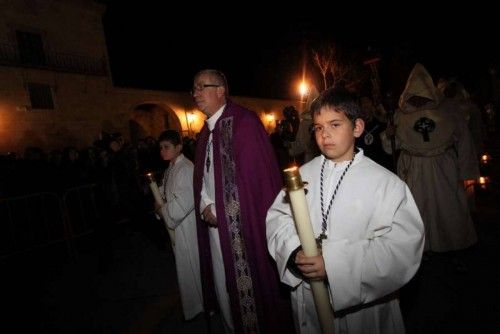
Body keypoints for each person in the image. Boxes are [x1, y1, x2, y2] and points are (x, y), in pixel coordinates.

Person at [267, 87, 425, 333]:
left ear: (357, 127)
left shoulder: (386, 184)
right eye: (318, 127)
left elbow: (403, 249)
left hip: (363, 310)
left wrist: (334, 264)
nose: (325, 135)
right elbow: (278, 218)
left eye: (335, 125)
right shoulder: (304, 174)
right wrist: (294, 251)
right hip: (309, 300)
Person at [191, 69, 294, 333]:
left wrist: (219, 209)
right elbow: (204, 175)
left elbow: (253, 181)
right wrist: (204, 203)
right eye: (194, 88)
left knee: (246, 292)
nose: (196, 93)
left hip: (241, 229)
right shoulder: (205, 132)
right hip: (214, 228)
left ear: (221, 91)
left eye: (203, 87)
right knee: (223, 287)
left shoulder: (244, 123)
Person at [381, 64, 479, 264]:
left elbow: (465, 140)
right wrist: (388, 135)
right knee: (419, 211)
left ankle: (454, 249)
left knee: (448, 210)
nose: (418, 99)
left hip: (443, 168)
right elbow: (391, 147)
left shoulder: (449, 110)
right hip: (414, 168)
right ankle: (422, 250)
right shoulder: (401, 115)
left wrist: (466, 170)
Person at [156, 129, 203, 321]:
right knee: (185, 268)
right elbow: (164, 191)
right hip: (177, 225)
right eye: (160, 148)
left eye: (166, 147)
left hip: (188, 226)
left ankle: (202, 305)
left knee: (193, 265)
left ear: (179, 147)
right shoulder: (171, 167)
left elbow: (186, 199)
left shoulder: (186, 168)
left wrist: (164, 210)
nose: (162, 151)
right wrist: (158, 200)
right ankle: (193, 304)